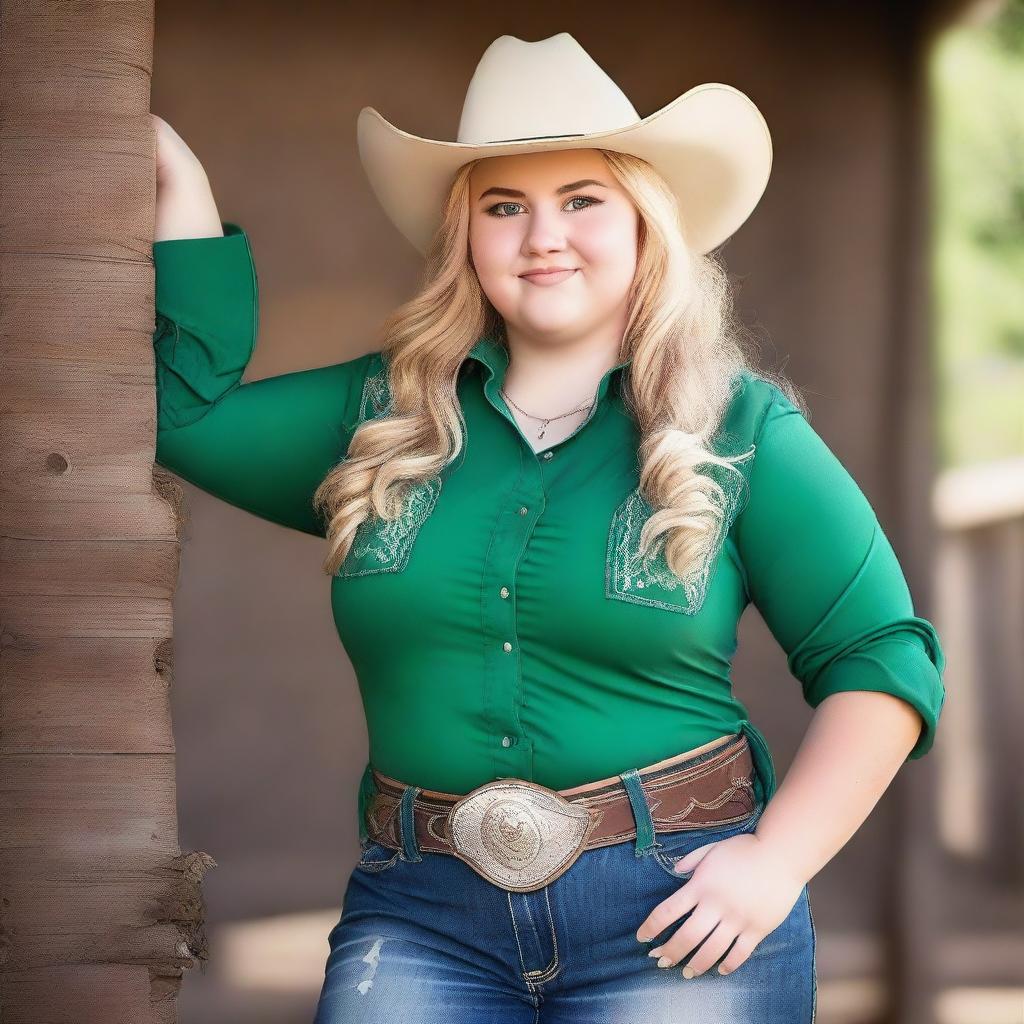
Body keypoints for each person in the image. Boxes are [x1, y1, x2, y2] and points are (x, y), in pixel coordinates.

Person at [151, 32, 946, 1024]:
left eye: (581, 200)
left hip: (676, 909)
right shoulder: (376, 416)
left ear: (644, 223)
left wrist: (776, 862)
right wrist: (174, 183)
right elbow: (178, 416)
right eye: (503, 206)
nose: (542, 237)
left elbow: (881, 660)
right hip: (420, 914)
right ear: (465, 236)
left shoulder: (744, 432)